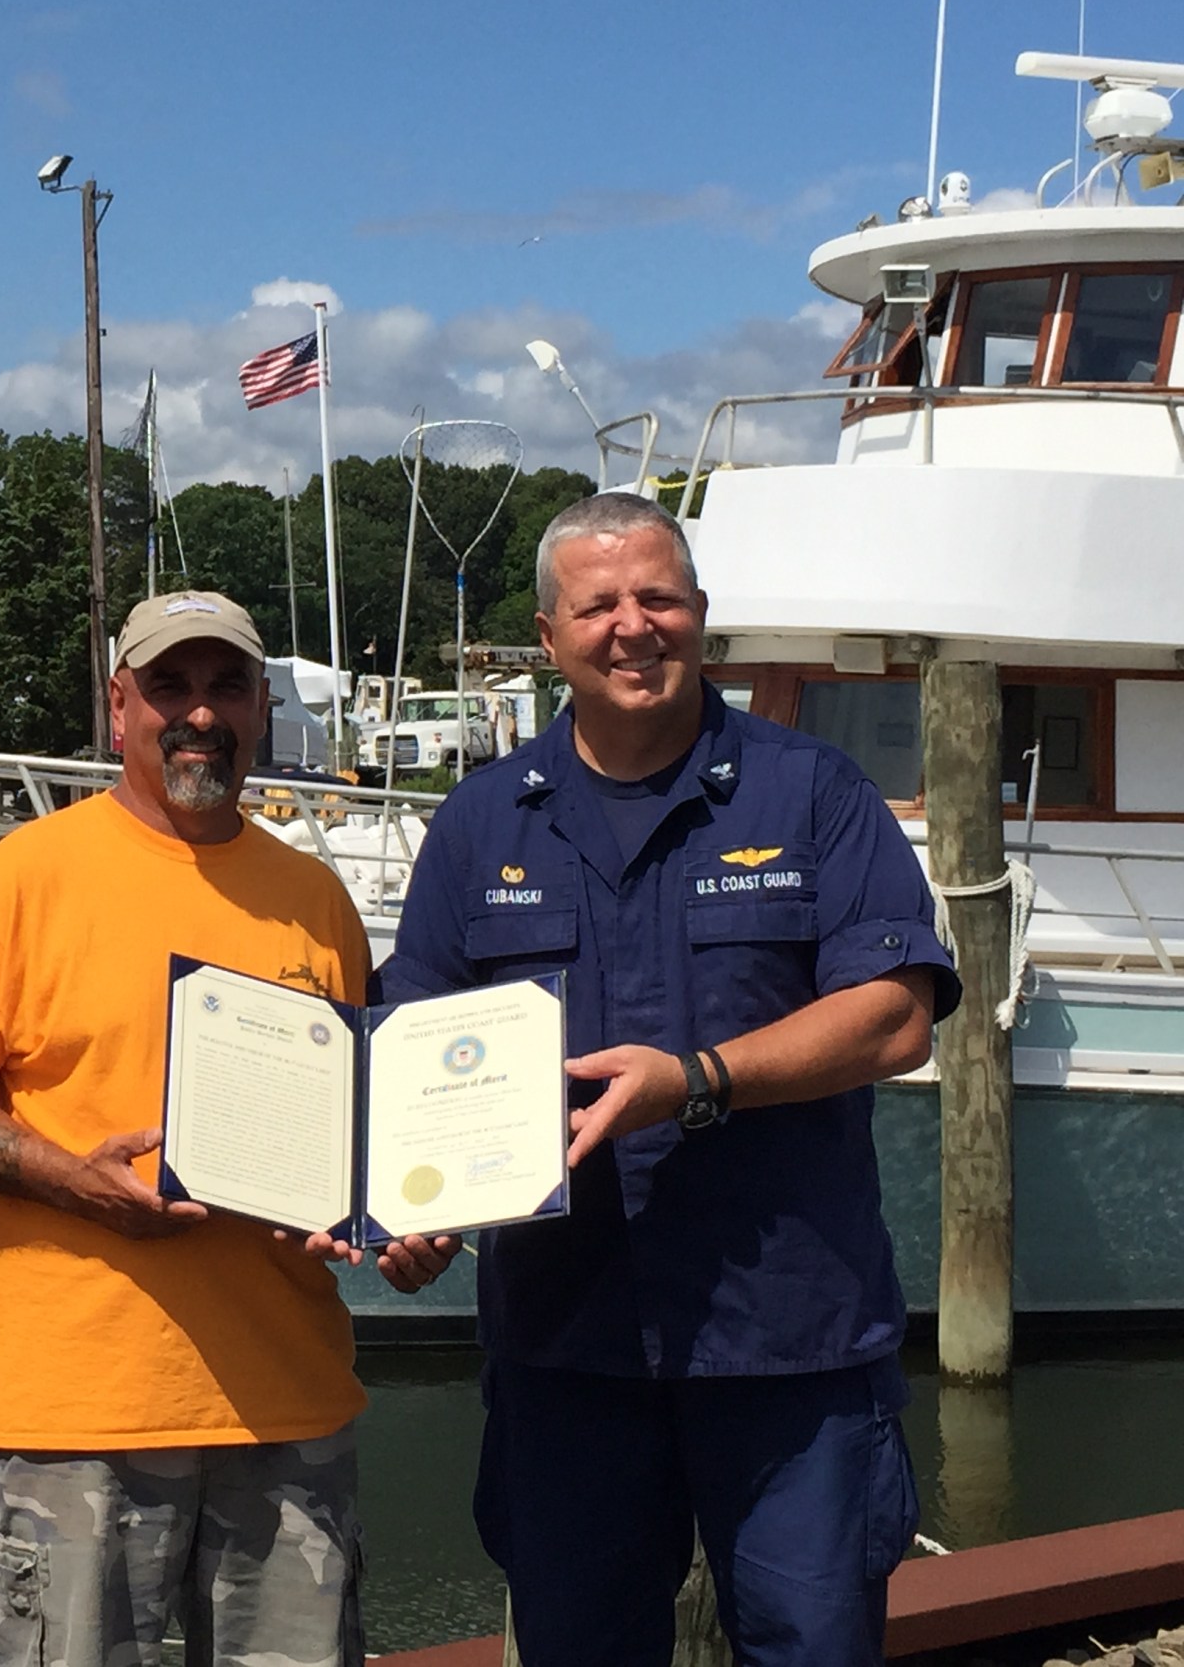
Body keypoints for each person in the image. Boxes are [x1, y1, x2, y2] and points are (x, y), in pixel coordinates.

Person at [378, 491, 960, 1667]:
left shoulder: (812, 791)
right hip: (568, 1349)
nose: (634, 625)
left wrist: (695, 1078)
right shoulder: (480, 821)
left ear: (700, 615)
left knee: (814, 1649)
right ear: (549, 637)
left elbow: (895, 1015)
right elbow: (408, 1045)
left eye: (661, 597)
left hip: (789, 1345)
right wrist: (408, 1210)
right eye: (600, 605)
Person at [0, 589, 456, 1667]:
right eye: (170, 686)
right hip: (83, 1415)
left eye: (226, 686)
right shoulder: (23, 876)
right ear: (120, 706)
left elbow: (361, 1135)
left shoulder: (316, 896)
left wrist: (408, 1228)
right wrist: (74, 1179)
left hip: (289, 1407)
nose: (200, 714)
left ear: (261, 708)